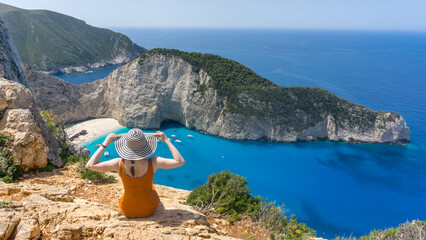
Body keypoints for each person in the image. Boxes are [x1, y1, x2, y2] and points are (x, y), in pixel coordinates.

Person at [85, 128, 185, 218]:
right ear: (146, 145)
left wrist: (105, 144)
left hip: (128, 210)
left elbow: (90, 165)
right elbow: (180, 161)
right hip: (149, 209)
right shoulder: (153, 162)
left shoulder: (118, 163)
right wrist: (167, 141)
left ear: (126, 146)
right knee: (152, 188)